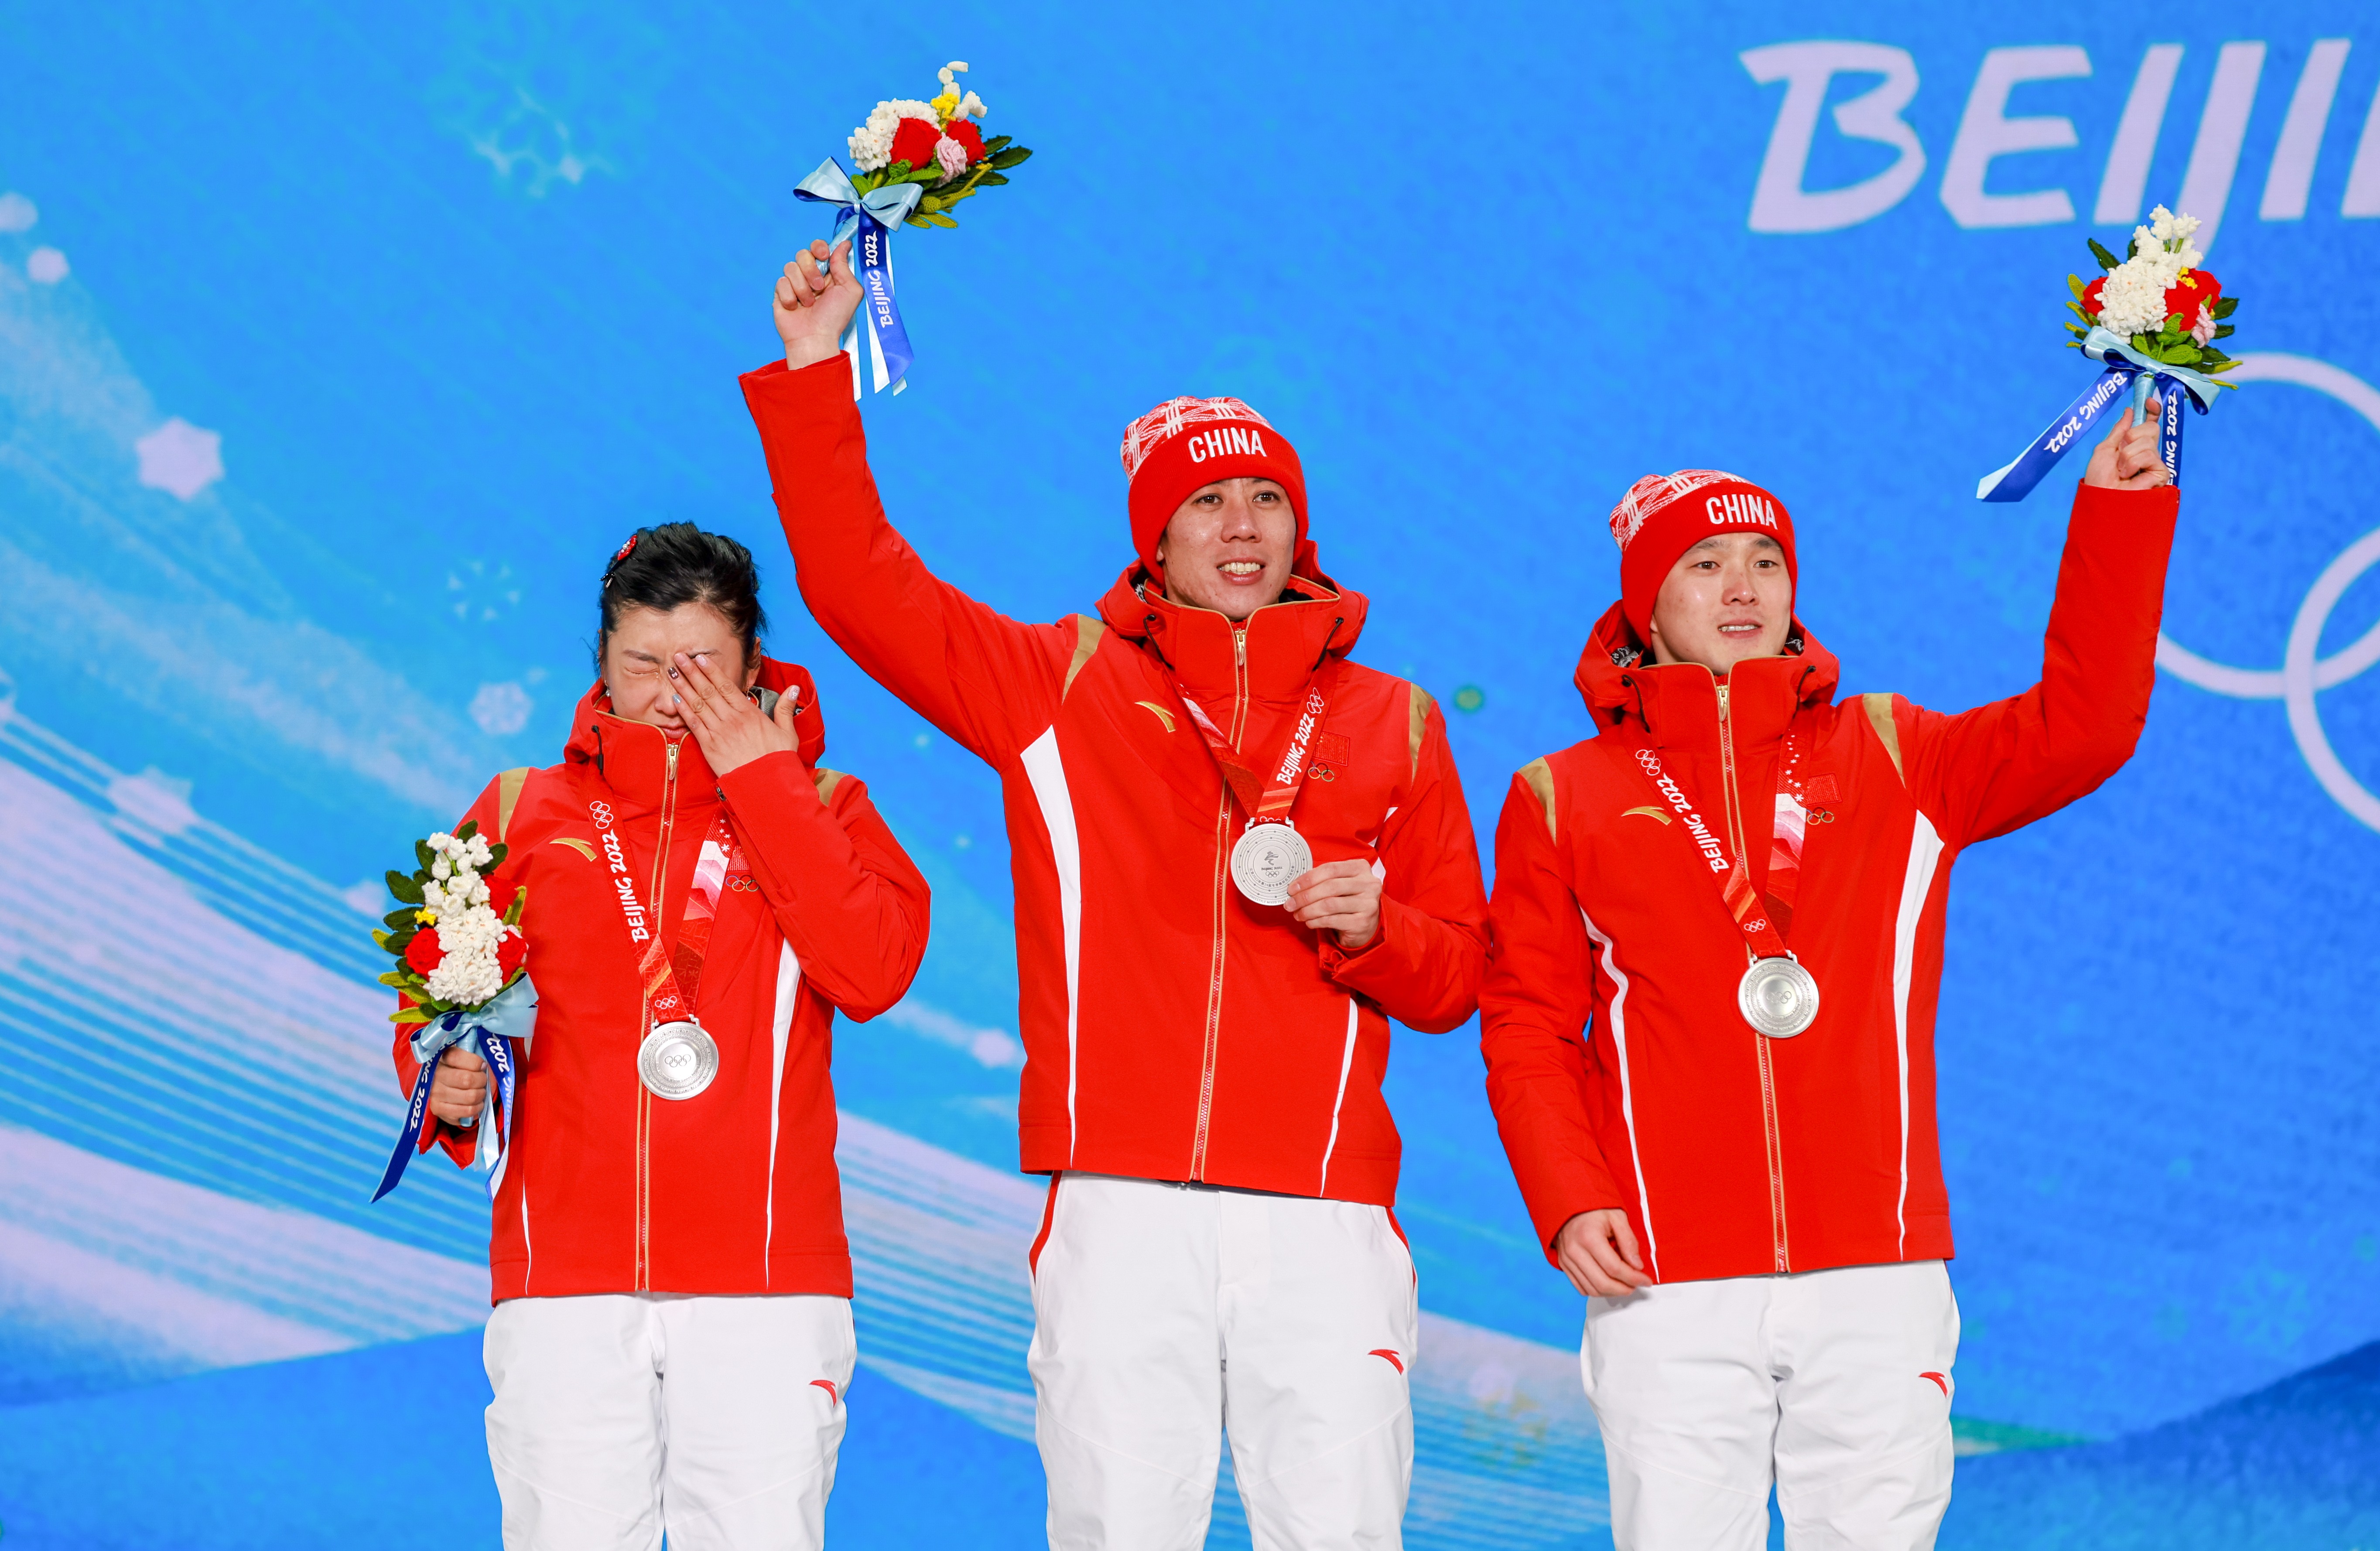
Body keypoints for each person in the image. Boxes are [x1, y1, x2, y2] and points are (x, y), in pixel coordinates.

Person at [743, 239, 1489, 1549]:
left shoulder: (1396, 720)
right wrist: (815, 371)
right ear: (1156, 532)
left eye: (1266, 498)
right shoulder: (1061, 684)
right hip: (1121, 1205)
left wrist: (1383, 931)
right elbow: (858, 584)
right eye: (1207, 503)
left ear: (1299, 525)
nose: (1241, 527)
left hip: (1325, 1216)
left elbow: (1457, 976)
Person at [1478, 406, 2178, 1548]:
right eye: (1704, 563)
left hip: (1876, 1263)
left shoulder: (1894, 751)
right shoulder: (1565, 795)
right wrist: (1567, 1192)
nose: (1742, 586)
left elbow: (2085, 726)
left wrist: (2119, 515)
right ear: (1645, 605)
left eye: (1766, 561)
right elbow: (1528, 1024)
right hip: (1665, 1271)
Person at [394, 522, 930, 1551]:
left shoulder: (825, 806)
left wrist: (765, 783)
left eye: (702, 666)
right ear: (601, 659)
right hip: (565, 1275)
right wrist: (445, 1073)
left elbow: (872, 970)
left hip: (765, 1279)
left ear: (754, 663)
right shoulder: (520, 810)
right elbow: (440, 996)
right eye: (643, 663)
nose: (670, 694)